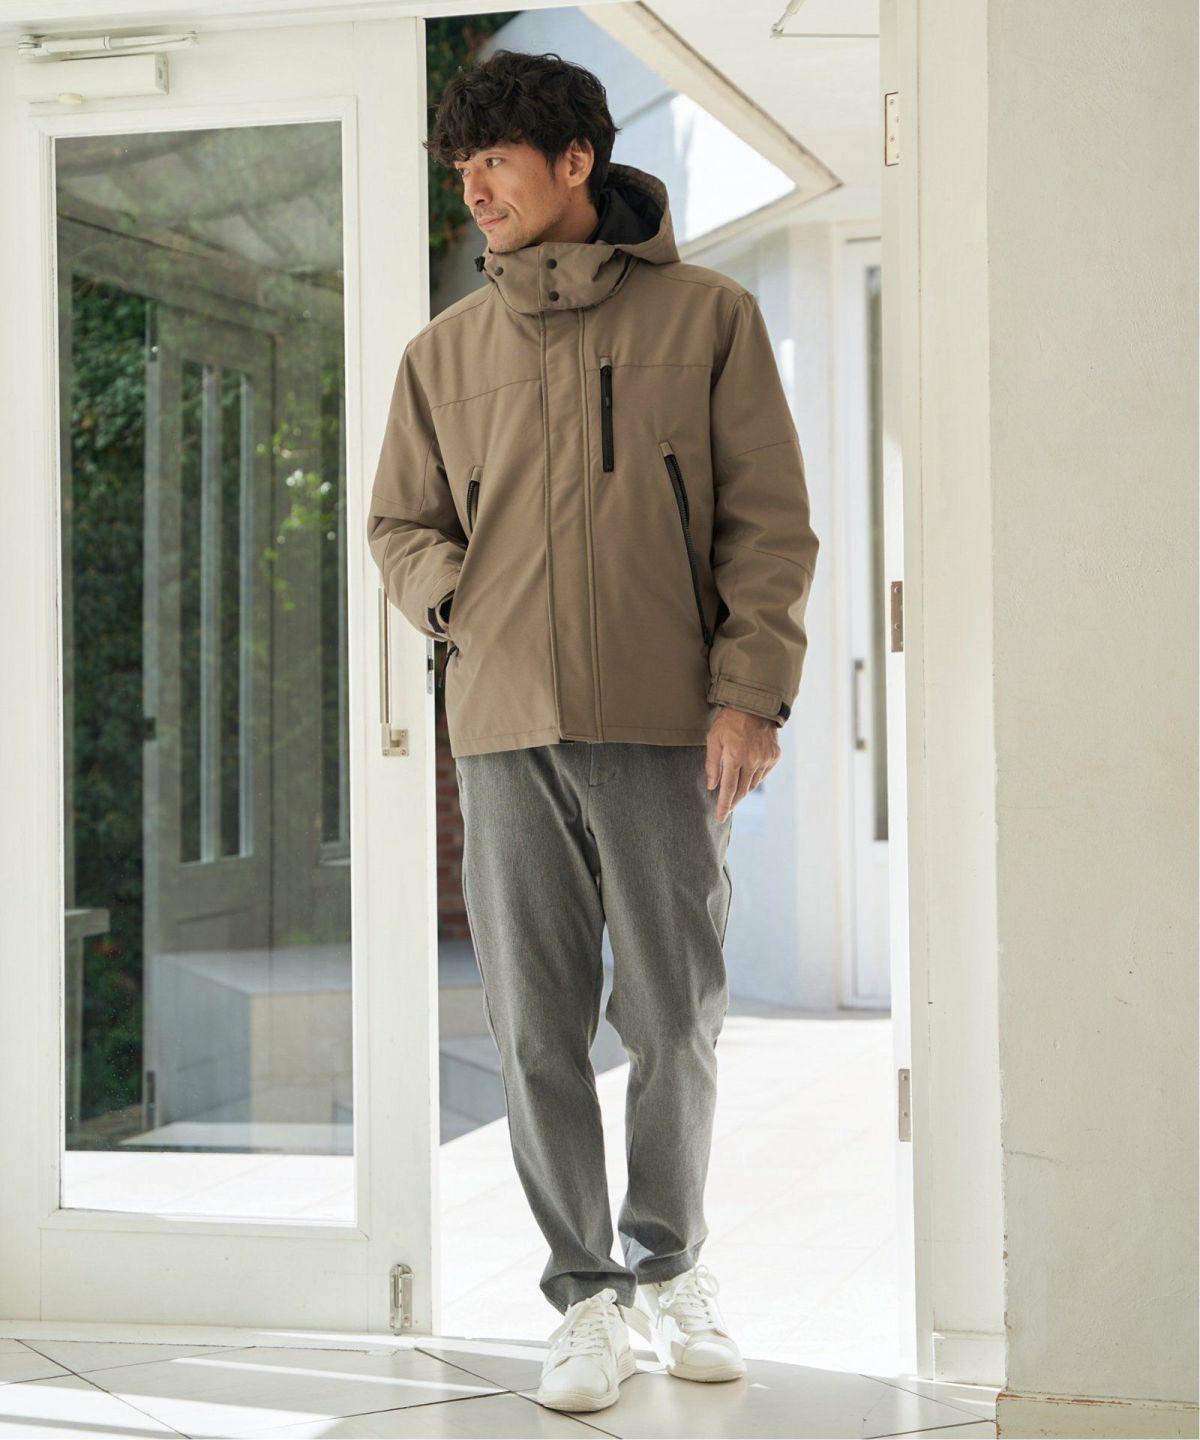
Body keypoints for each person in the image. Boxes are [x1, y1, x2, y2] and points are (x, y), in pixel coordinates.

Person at [367, 48, 819, 1415]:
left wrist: (751, 691)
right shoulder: (443, 354)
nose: (475, 190)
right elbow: (399, 525)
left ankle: (671, 1265)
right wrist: (467, 607)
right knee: (535, 1026)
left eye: (495, 161)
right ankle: (586, 1297)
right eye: (461, 169)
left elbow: (768, 525)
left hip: (663, 720)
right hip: (504, 728)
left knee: (674, 1013)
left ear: (577, 161)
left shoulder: (712, 319)